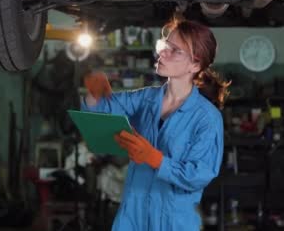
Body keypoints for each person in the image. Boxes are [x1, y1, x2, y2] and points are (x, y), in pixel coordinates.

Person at [82, 15, 230, 230]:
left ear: (195, 64)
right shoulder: (146, 99)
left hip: (174, 222)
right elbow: (103, 110)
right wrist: (95, 94)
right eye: (165, 46)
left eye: (175, 51)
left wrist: (157, 160)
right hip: (132, 218)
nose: (162, 53)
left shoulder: (207, 118)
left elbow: (199, 175)